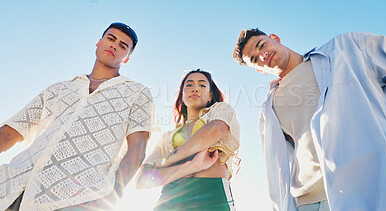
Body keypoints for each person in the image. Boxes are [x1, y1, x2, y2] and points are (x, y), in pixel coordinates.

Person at [232, 29, 386, 211]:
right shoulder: (269, 108)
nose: (263, 55)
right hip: (310, 200)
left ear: (275, 38)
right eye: (256, 59)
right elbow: (279, 165)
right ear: (258, 69)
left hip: (370, 183)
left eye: (261, 45)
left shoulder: (345, 49)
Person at [0, 22, 158, 211]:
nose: (115, 45)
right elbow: (9, 133)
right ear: (98, 43)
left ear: (126, 59)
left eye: (123, 46)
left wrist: (111, 196)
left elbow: (137, 150)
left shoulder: (137, 93)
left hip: (74, 199)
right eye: (111, 38)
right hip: (10, 187)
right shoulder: (59, 88)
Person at [135, 69, 240, 210]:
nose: (195, 88)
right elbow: (142, 180)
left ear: (210, 96)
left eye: (202, 85)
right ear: (182, 96)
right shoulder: (167, 137)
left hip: (213, 199)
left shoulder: (221, 111)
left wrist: (170, 160)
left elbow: (214, 130)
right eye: (189, 85)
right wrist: (191, 166)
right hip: (169, 202)